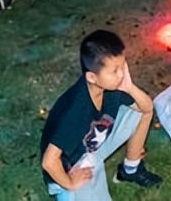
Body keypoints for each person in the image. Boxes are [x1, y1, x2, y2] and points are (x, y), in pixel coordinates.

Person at [40, 30, 161, 199]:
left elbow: (147, 108)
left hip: (93, 143)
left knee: (139, 111)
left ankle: (131, 169)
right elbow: (49, 161)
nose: (121, 75)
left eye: (122, 66)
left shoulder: (112, 87)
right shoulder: (76, 110)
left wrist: (129, 87)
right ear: (92, 77)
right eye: (114, 71)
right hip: (74, 164)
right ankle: (67, 192)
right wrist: (69, 183)